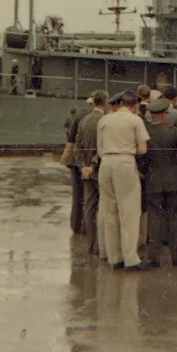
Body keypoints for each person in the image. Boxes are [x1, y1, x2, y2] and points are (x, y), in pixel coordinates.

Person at [96, 90, 150, 271]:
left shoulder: (104, 120)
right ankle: (131, 258)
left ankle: (114, 257)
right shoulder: (136, 120)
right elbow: (143, 149)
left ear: (120, 104)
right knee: (129, 211)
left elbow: (99, 147)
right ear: (135, 106)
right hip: (125, 163)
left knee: (109, 211)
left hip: (106, 163)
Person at [142, 98, 177, 268]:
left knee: (154, 218)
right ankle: (176, 256)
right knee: (175, 218)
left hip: (153, 179)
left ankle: (153, 256)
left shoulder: (145, 133)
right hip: (174, 179)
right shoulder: (174, 132)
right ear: (164, 114)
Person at [76, 90, 109, 257]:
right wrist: (94, 166)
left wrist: (84, 166)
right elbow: (103, 147)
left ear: (93, 102)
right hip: (101, 169)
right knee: (104, 208)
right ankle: (102, 246)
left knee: (89, 208)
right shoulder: (105, 121)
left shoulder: (83, 121)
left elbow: (78, 146)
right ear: (105, 103)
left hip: (86, 172)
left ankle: (91, 245)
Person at [63, 107, 86, 234]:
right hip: (86, 162)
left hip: (75, 161)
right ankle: (85, 225)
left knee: (77, 196)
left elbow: (70, 140)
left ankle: (75, 224)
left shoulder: (77, 118)